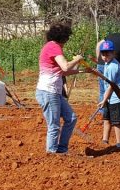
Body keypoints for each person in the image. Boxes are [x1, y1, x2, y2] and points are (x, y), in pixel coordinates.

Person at [35, 20, 86, 154]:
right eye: (66, 38)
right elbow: (65, 66)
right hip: (48, 91)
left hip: (54, 92)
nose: (67, 41)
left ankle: (62, 150)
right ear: (62, 37)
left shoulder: (51, 47)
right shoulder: (53, 47)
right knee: (54, 126)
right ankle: (52, 153)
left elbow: (62, 71)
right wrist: (77, 59)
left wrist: (83, 71)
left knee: (71, 118)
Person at [97, 39, 120, 150]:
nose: (105, 55)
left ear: (113, 53)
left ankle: (119, 144)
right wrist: (106, 99)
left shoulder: (112, 67)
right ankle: (104, 140)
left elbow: (112, 86)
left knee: (116, 122)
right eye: (103, 53)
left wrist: (104, 99)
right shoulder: (108, 63)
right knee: (107, 120)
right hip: (109, 98)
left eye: (108, 53)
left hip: (117, 98)